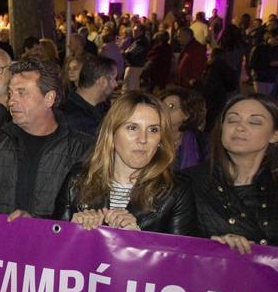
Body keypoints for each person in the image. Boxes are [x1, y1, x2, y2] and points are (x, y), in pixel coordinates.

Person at [182, 93, 278, 253]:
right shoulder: (188, 182)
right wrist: (211, 247)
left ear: (275, 135)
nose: (240, 127)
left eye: (254, 122)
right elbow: (169, 249)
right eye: (232, 120)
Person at [54, 91, 195, 234]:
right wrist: (71, 232)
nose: (143, 139)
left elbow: (181, 255)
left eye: (153, 130)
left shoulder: (175, 191)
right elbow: (52, 249)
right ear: (112, 133)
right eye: (132, 128)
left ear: (161, 139)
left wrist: (136, 239)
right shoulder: (79, 179)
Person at [0, 57, 94, 218]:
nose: (12, 101)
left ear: (49, 98)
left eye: (21, 92)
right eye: (10, 93)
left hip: (56, 242)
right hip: (0, 241)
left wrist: (36, 226)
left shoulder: (83, 150)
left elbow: (86, 212)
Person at [61, 55, 118, 137]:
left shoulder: (99, 106)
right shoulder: (74, 119)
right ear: (102, 82)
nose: (116, 84)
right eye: (114, 79)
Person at [159, 86, 208, 170]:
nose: (164, 110)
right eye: (162, 106)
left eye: (171, 107)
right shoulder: (152, 137)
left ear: (186, 114)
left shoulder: (201, 142)